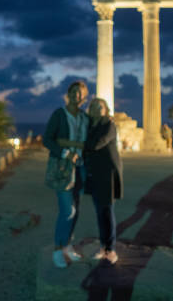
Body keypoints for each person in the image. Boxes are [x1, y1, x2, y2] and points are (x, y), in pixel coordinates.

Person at [43, 81, 89, 268]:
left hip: (81, 168)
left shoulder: (85, 117)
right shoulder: (59, 114)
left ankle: (68, 245)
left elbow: (88, 142)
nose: (77, 96)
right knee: (67, 210)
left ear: (84, 98)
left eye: (81, 93)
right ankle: (57, 249)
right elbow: (48, 139)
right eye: (74, 92)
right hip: (62, 167)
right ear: (68, 94)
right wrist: (66, 151)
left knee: (76, 210)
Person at [84, 98, 123, 265]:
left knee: (107, 211)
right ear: (89, 110)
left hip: (108, 172)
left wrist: (78, 144)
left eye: (100, 106)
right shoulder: (89, 126)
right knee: (99, 212)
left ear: (106, 109)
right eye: (93, 106)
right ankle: (103, 247)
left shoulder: (109, 125)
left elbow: (97, 144)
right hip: (94, 173)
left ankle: (111, 249)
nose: (96, 109)